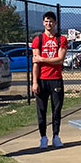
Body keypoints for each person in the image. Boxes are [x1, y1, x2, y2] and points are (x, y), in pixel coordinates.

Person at [31, 11, 67, 150]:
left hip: (56, 79)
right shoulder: (38, 40)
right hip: (41, 80)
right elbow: (35, 62)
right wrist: (34, 82)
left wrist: (43, 59)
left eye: (51, 21)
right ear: (43, 23)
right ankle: (43, 137)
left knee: (56, 110)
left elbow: (60, 59)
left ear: (55, 23)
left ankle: (56, 136)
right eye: (46, 21)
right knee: (41, 110)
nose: (49, 23)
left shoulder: (61, 39)